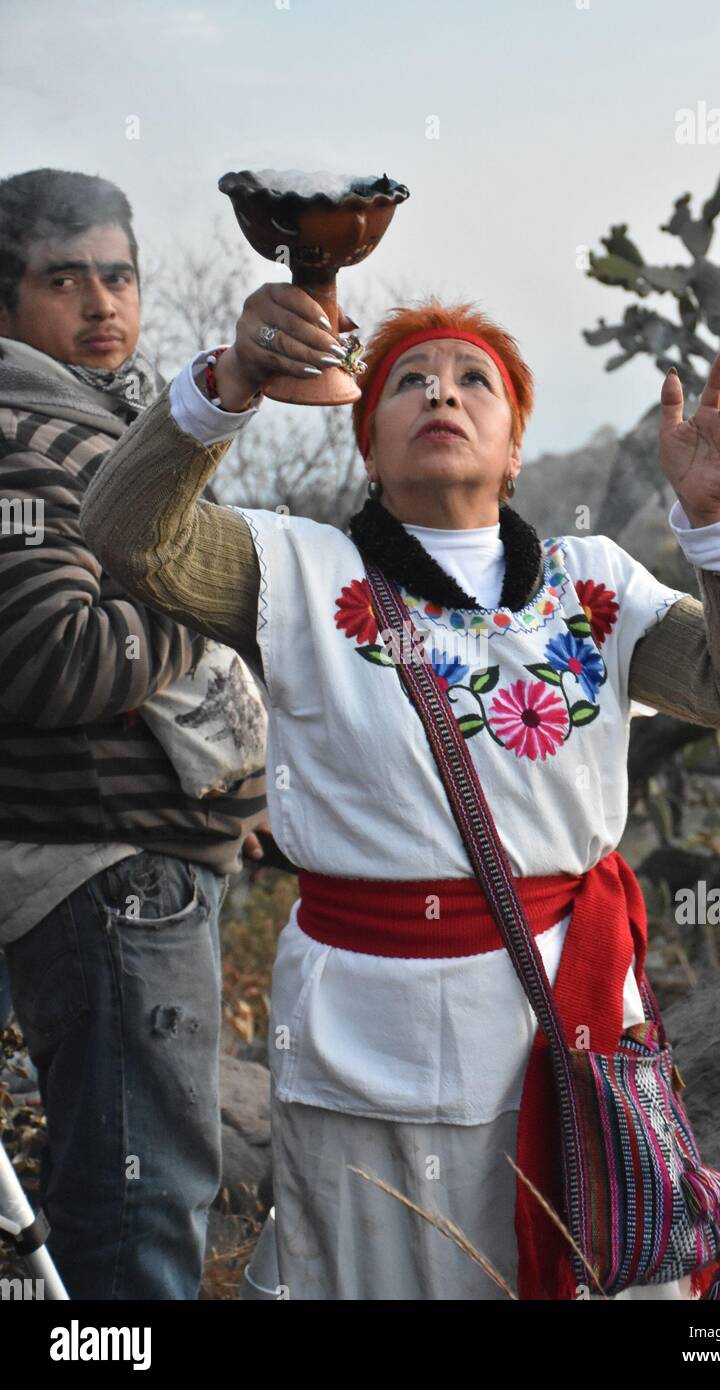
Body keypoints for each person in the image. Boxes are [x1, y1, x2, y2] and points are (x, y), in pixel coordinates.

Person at [79, 282, 720, 1300]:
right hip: (360, 1021)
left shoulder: (592, 586)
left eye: (477, 381)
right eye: (407, 381)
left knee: (578, 1253)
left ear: (514, 451)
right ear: (367, 447)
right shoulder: (298, 567)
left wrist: (718, 518)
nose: (442, 392)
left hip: (566, 1014)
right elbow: (125, 536)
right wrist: (229, 383)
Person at [0, 169, 269, 1299]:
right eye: (64, 279)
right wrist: (195, 593)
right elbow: (50, 655)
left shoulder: (95, 423)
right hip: (105, 870)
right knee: (140, 1206)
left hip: (138, 861)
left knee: (140, 1192)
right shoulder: (26, 435)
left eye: (119, 276)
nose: (102, 303)